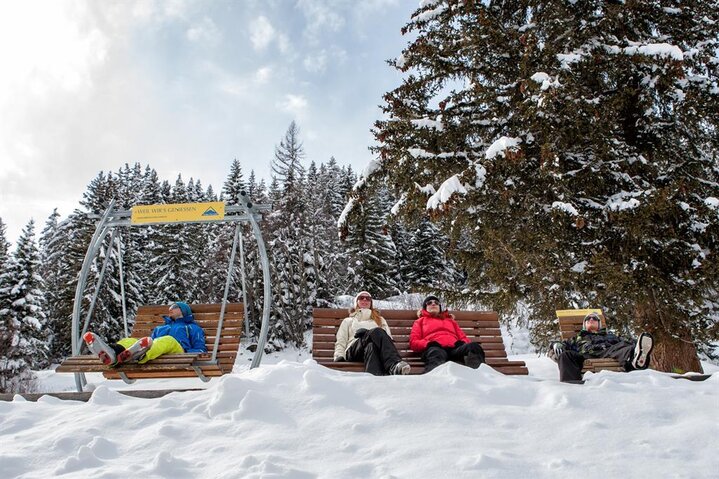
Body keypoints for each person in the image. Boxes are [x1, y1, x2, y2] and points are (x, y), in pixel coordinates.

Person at [83, 301, 207, 366]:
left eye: (174, 306)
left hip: (179, 352)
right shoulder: (160, 328)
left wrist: (189, 354)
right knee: (130, 341)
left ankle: (141, 355)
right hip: (158, 351)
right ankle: (113, 353)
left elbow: (200, 349)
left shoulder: (191, 327)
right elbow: (151, 342)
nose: (170, 308)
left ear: (183, 310)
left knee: (168, 340)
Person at [549, 312, 654, 382]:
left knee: (626, 346)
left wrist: (637, 344)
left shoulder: (611, 336)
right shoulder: (577, 338)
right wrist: (555, 345)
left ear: (599, 324)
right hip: (586, 354)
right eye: (588, 319)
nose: (591, 319)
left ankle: (637, 361)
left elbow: (628, 342)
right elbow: (562, 345)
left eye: (594, 319)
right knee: (566, 355)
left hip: (610, 352)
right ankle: (571, 387)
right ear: (584, 325)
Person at [333, 291, 411, 375]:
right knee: (377, 331)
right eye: (361, 298)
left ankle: (374, 381)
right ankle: (393, 365)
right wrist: (339, 355)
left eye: (368, 299)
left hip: (373, 351)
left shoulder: (380, 320)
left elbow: (387, 339)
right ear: (356, 302)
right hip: (354, 351)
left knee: (371, 346)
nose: (365, 300)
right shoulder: (348, 320)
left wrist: (367, 333)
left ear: (371, 303)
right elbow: (341, 339)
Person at [409, 295, 486, 373]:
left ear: (439, 307)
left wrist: (461, 343)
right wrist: (428, 344)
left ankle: (479, 375)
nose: (433, 304)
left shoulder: (450, 321)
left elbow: (463, 337)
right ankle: (433, 380)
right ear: (425, 307)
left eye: (436, 302)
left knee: (473, 347)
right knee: (436, 353)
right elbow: (414, 342)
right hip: (435, 349)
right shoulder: (420, 321)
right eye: (429, 303)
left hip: (454, 349)